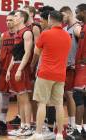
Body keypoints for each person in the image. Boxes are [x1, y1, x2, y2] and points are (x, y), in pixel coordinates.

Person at [29, 10, 71, 140]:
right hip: (60, 74)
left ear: (50, 19)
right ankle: (59, 134)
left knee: (42, 103)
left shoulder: (45, 34)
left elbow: (36, 51)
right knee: (59, 105)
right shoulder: (67, 36)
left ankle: (38, 133)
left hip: (45, 73)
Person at [6, 10, 33, 137]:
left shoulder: (27, 32)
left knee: (24, 99)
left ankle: (27, 126)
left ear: (22, 19)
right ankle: (22, 125)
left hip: (22, 67)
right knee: (19, 99)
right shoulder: (17, 33)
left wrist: (20, 69)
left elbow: (27, 53)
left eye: (16, 16)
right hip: (15, 66)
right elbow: (14, 54)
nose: (13, 18)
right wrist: (9, 69)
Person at [60, 6, 82, 137]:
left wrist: (77, 62)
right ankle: (71, 123)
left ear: (68, 14)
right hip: (65, 67)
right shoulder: (63, 29)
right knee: (67, 96)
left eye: (63, 16)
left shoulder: (77, 27)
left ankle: (74, 124)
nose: (61, 19)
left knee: (71, 95)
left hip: (75, 67)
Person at [0, 11, 16, 135]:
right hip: (4, 70)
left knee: (22, 97)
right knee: (4, 97)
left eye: (11, 20)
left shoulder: (21, 35)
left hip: (16, 70)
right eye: (7, 20)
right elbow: (0, 54)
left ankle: (26, 124)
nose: (8, 22)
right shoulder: (3, 35)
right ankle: (2, 121)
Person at [71, 3, 86, 139]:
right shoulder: (83, 27)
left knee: (78, 96)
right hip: (80, 66)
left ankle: (77, 130)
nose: (76, 14)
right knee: (83, 99)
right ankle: (84, 130)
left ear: (84, 11)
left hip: (83, 67)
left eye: (78, 11)